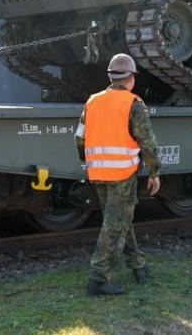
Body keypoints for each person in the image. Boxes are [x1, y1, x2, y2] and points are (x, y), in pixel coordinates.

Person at [75, 53, 161, 297]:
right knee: (115, 225)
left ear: (111, 77)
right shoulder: (134, 103)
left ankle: (138, 266)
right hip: (122, 174)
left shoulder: (92, 101)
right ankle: (98, 279)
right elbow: (148, 142)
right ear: (131, 78)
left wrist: (90, 160)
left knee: (119, 220)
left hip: (98, 172)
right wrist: (154, 172)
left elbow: (79, 138)